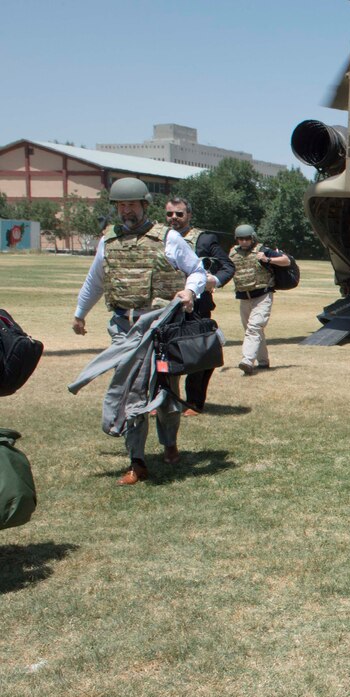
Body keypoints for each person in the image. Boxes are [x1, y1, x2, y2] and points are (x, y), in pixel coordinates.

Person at [71, 177, 206, 485]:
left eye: (131, 204)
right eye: (121, 205)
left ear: (145, 205)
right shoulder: (108, 241)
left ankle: (169, 442)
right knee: (131, 391)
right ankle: (137, 461)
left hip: (161, 329)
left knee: (167, 390)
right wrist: (80, 314)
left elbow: (197, 271)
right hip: (124, 328)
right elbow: (95, 281)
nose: (126, 210)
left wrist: (189, 291)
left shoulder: (168, 238)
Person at [164, 197, 234, 414]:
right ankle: (164, 399)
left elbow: (227, 267)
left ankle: (194, 401)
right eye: (170, 214)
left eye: (179, 214)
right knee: (163, 354)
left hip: (197, 307)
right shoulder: (159, 238)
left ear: (189, 215)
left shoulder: (204, 239)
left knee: (200, 353)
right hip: (167, 306)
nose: (174, 218)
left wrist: (213, 280)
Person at [229, 225, 290, 375]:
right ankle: (263, 362)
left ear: (253, 238)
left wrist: (267, 259)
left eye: (247, 238)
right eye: (240, 239)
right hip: (244, 297)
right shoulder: (233, 253)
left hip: (262, 295)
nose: (244, 241)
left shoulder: (263, 250)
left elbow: (286, 261)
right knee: (254, 330)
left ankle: (247, 361)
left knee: (254, 327)